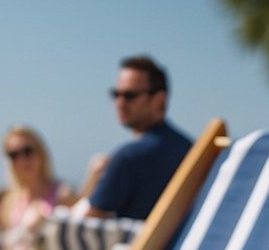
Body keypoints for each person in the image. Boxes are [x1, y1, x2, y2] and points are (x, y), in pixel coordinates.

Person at [80, 55, 192, 220]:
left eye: (129, 95)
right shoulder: (190, 150)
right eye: (116, 94)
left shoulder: (129, 158)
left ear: (159, 100)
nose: (120, 102)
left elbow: (87, 225)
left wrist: (93, 178)